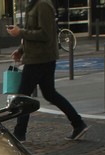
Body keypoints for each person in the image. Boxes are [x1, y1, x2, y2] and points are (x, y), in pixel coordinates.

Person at [6, 0, 88, 141]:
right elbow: (34, 32)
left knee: (23, 96)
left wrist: (20, 32)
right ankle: (78, 124)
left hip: (40, 58)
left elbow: (45, 34)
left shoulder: (43, 5)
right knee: (49, 94)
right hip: (38, 57)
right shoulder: (34, 4)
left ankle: (19, 134)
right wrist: (21, 50)